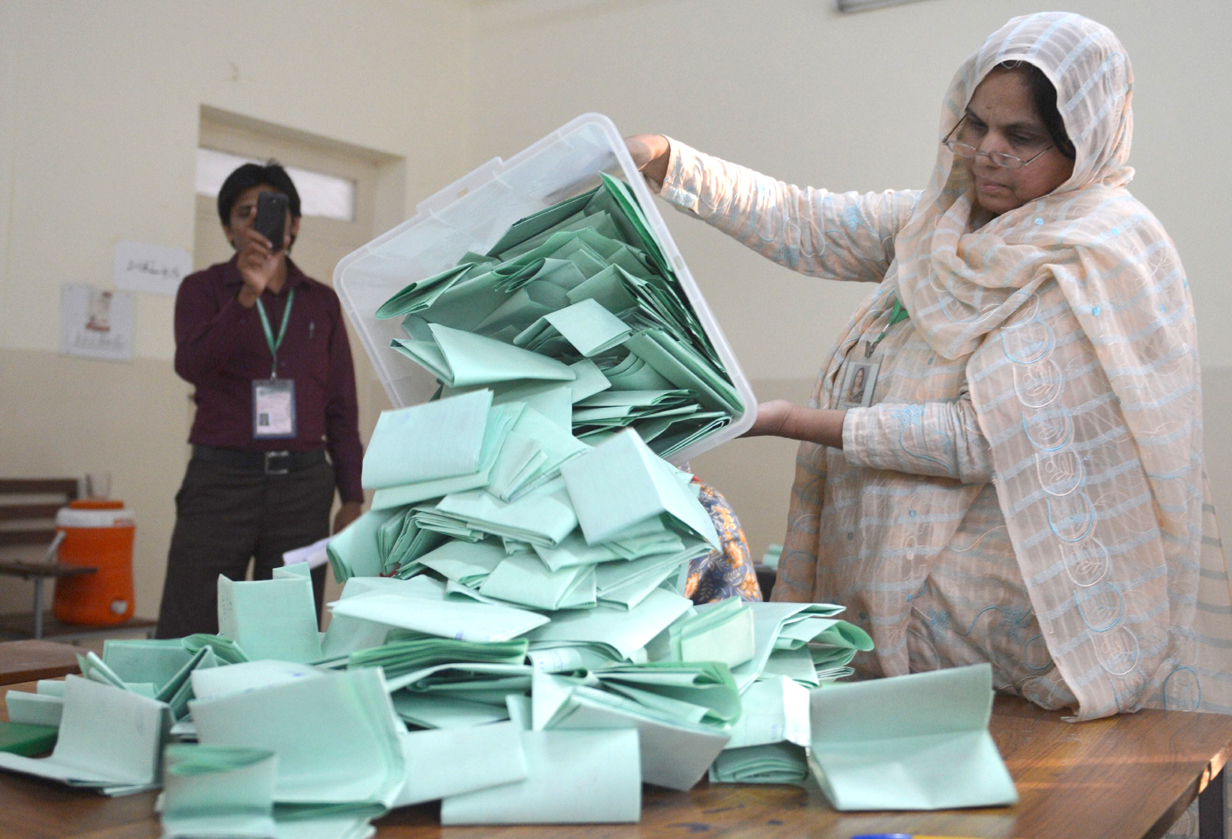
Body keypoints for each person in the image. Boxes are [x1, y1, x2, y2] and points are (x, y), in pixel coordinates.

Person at [627, 12, 1232, 720]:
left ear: (1084, 142)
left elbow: (982, 437)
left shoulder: (1092, 255)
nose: (987, 153)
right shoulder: (946, 222)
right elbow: (809, 222)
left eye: (1021, 138)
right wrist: (669, 162)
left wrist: (790, 419)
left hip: (1015, 639)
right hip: (908, 611)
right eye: (975, 126)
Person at [155, 162, 364, 639]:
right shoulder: (202, 290)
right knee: (191, 624)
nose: (257, 221)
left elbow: (340, 405)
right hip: (219, 484)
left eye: (270, 211)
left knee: (285, 633)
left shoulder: (321, 302)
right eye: (244, 213)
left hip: (303, 489)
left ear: (293, 225)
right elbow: (193, 366)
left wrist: (352, 496)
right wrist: (246, 296)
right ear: (230, 229)